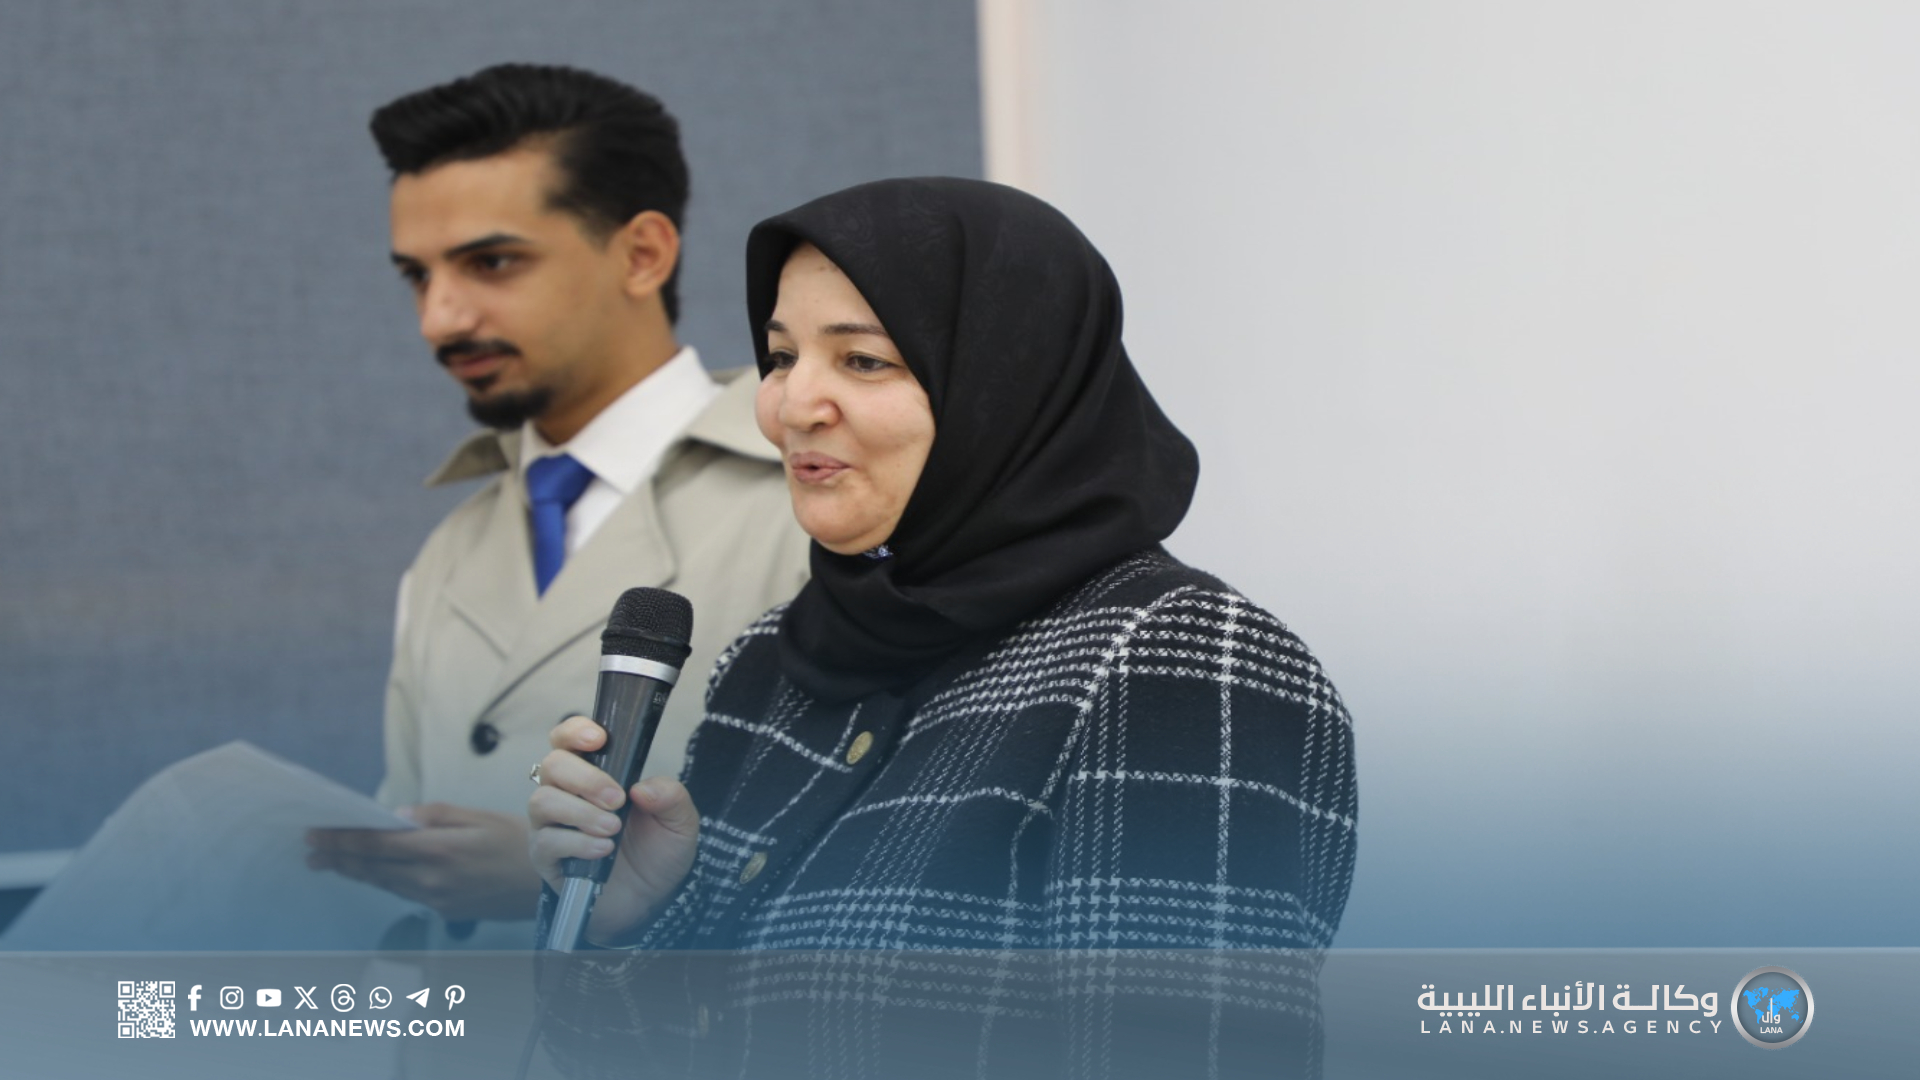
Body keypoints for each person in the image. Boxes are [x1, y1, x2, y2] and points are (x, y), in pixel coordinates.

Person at [528, 177, 1358, 1077]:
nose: (793, 404)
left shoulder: (1181, 665)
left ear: (1007, 382)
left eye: (863, 360)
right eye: (780, 356)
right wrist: (625, 926)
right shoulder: (770, 663)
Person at [305, 64, 810, 951]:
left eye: (491, 262)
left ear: (642, 253)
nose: (438, 319)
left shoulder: (813, 509)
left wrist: (567, 880)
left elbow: (880, 854)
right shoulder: (449, 553)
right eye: (416, 275)